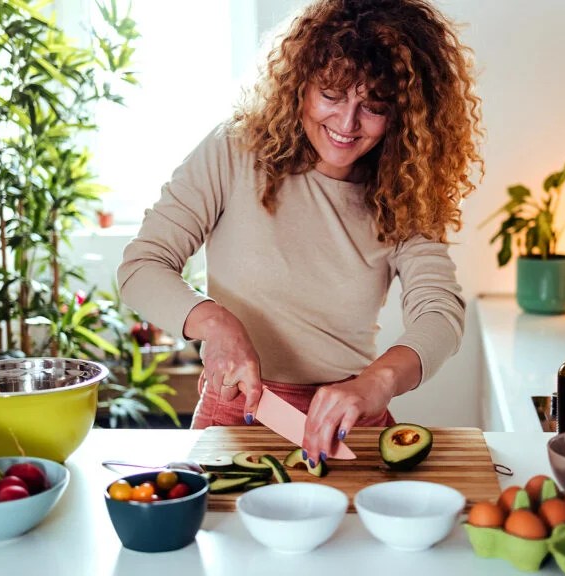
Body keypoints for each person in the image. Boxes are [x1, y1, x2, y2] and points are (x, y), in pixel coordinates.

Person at [117, 0, 483, 468]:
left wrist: (377, 382)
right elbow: (141, 267)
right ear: (300, 83)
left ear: (406, 114)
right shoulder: (234, 150)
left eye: (373, 107)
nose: (346, 125)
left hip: (351, 421)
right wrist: (217, 325)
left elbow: (440, 313)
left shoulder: (405, 189)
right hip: (237, 415)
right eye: (331, 95)